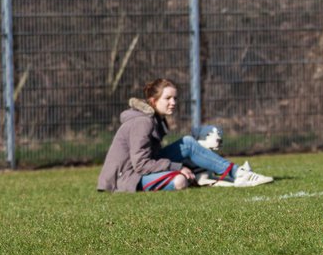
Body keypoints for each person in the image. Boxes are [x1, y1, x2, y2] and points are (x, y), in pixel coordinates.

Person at [97, 78, 273, 192]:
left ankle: (235, 173)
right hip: (125, 180)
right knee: (180, 181)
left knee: (188, 143)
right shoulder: (143, 122)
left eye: (175, 98)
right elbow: (141, 165)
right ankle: (222, 174)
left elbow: (151, 157)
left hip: (137, 171)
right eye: (168, 98)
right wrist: (177, 167)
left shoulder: (156, 119)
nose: (173, 102)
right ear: (153, 101)